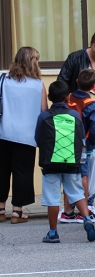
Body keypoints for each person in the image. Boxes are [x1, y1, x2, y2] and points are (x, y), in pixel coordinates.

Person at [36, 81, 95, 243]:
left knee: (52, 198)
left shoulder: (44, 116)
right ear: (68, 97)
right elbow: (80, 138)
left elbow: (37, 139)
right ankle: (86, 219)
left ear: (49, 97)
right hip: (71, 162)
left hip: (50, 163)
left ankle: (53, 233)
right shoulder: (74, 115)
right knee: (76, 193)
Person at [0, 47, 47, 223]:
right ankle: (17, 212)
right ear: (33, 63)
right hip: (27, 136)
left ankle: (1, 208)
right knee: (22, 172)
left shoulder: (3, 80)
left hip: (3, 133)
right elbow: (44, 112)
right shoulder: (37, 85)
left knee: (2, 171)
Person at [60, 68, 95, 223]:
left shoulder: (68, 97)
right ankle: (83, 211)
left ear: (77, 81)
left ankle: (67, 211)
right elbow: (93, 129)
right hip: (83, 144)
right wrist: (94, 143)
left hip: (65, 142)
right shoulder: (91, 104)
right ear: (94, 86)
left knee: (69, 175)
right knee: (83, 176)